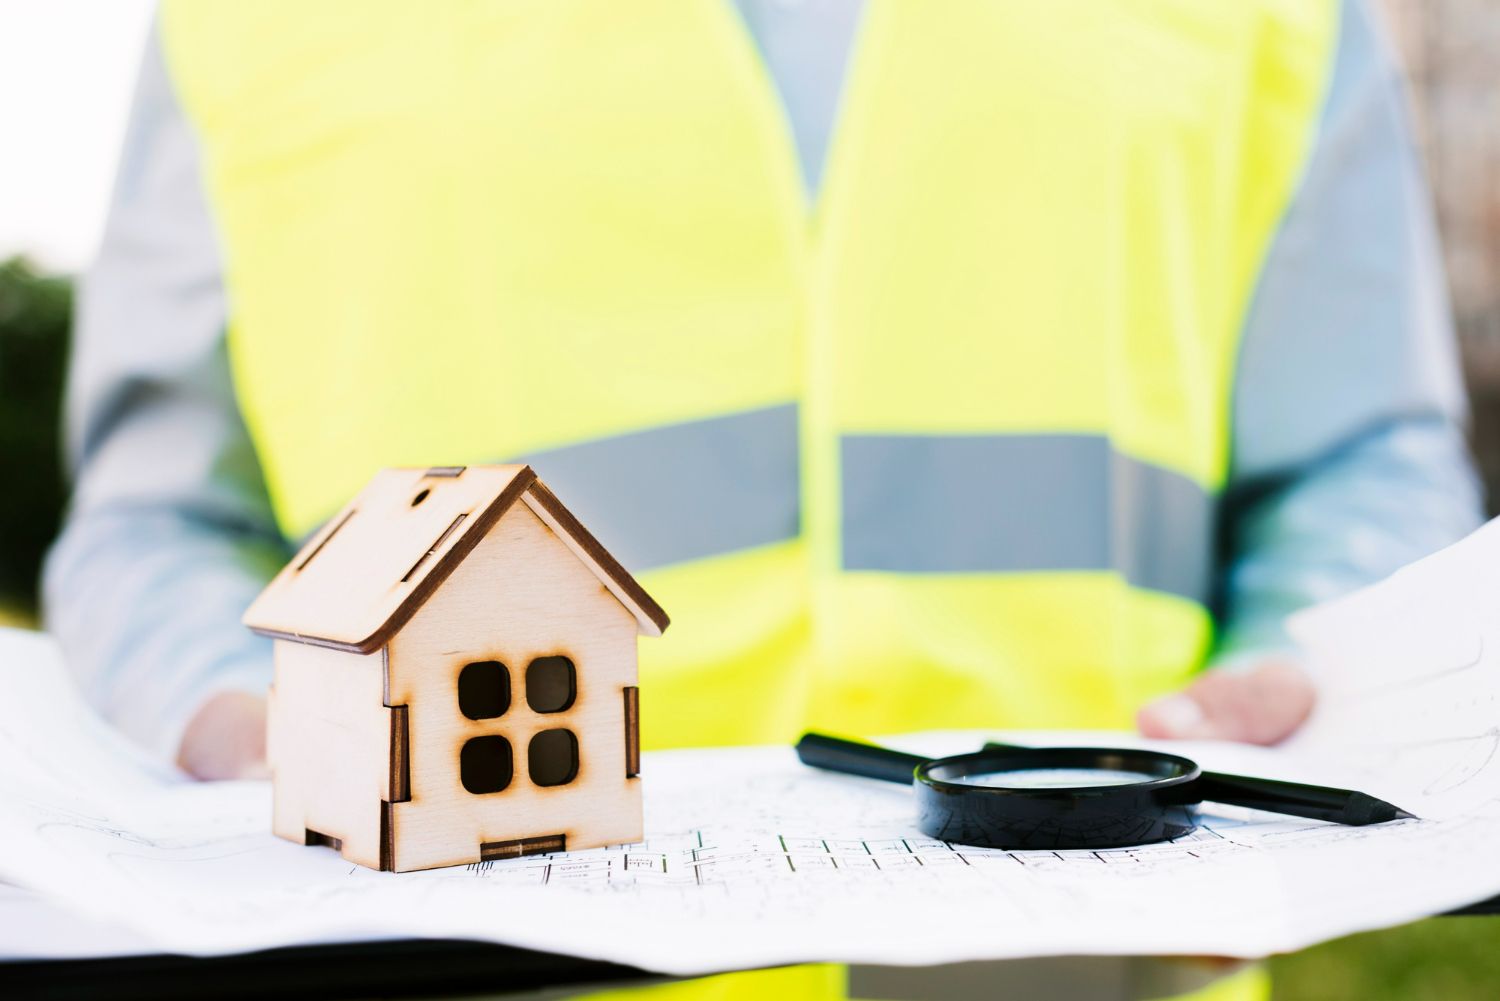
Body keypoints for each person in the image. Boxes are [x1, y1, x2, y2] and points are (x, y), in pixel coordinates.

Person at [46, 1, 1482, 998]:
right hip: (454, 966)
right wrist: (230, 713)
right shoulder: (242, 15)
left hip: (1085, 976)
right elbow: (153, 521)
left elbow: (1363, 453)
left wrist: (1307, 652)